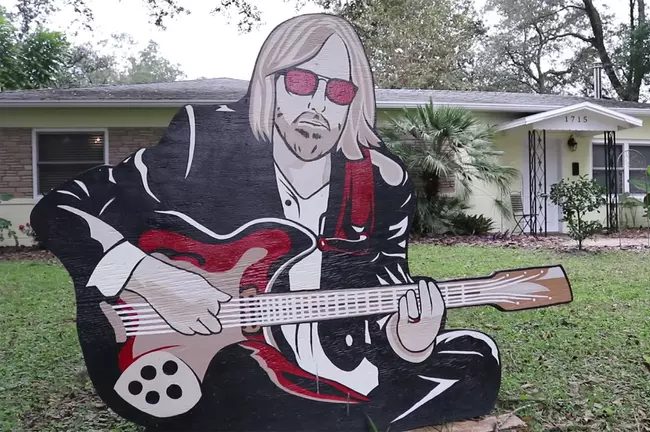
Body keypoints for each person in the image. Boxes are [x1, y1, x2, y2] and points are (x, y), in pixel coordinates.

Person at [30, 13, 501, 432]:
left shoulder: (381, 181)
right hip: (227, 361)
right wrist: (151, 277)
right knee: (249, 396)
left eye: (337, 91)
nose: (318, 105)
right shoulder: (204, 140)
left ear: (353, 104)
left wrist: (409, 341)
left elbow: (386, 292)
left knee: (476, 360)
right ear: (268, 83)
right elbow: (59, 209)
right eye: (301, 82)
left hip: (335, 357)